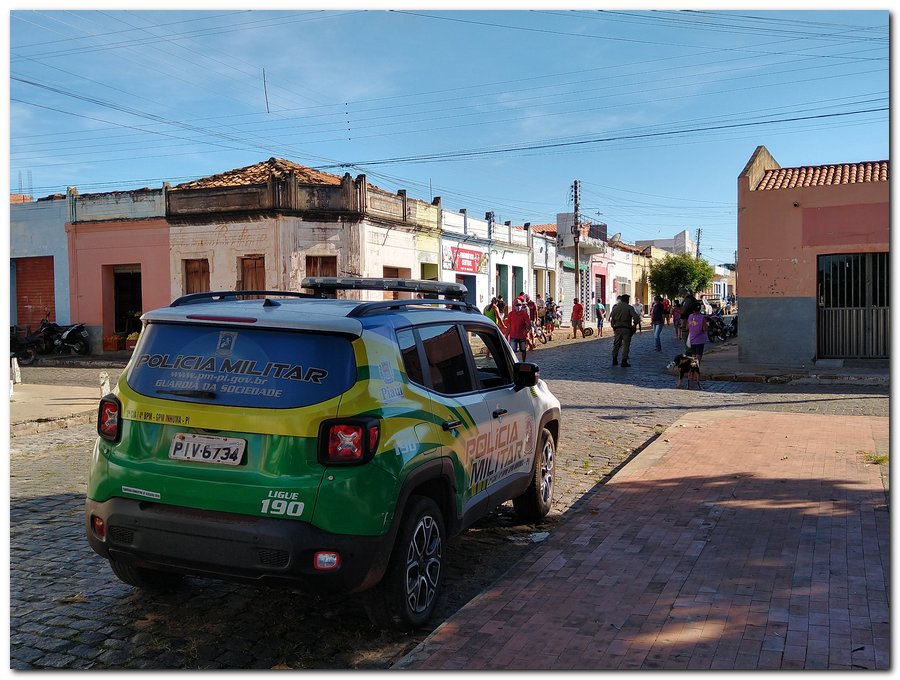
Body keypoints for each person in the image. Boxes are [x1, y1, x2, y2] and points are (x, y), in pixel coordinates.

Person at [609, 293, 640, 367]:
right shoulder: (629, 308)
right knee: (626, 345)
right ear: (627, 300)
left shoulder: (615, 308)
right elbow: (636, 318)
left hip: (617, 328)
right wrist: (634, 325)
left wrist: (614, 327)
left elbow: (612, 319)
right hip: (626, 328)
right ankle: (624, 361)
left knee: (616, 344)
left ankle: (614, 359)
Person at [507, 296, 532, 362]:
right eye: (516, 305)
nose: (518, 306)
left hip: (522, 336)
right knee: (512, 351)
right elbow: (509, 326)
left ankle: (523, 361)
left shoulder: (524, 314)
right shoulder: (510, 314)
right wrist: (506, 335)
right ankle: (514, 363)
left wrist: (526, 331)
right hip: (513, 336)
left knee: (523, 350)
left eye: (519, 305)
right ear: (513, 305)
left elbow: (528, 325)